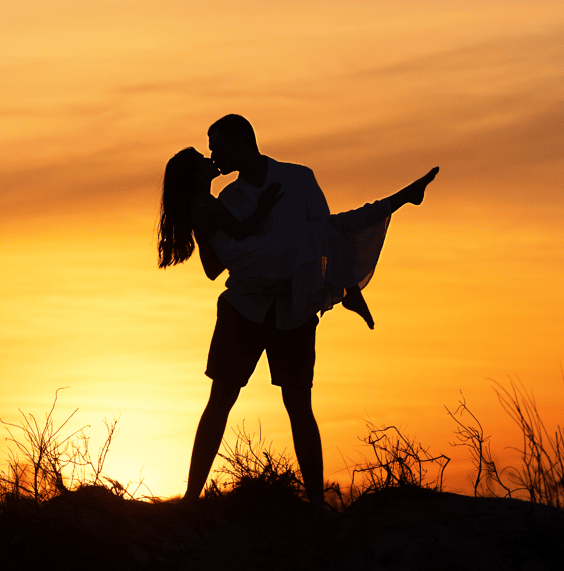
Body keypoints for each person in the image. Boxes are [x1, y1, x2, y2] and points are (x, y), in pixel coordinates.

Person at [157, 114, 438, 512]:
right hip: (245, 307)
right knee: (220, 399)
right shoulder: (227, 200)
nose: (213, 155)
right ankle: (190, 498)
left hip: (294, 308)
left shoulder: (298, 179)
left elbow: (328, 238)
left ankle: (317, 504)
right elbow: (217, 261)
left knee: (299, 404)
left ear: (241, 141)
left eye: (216, 146)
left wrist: (346, 287)